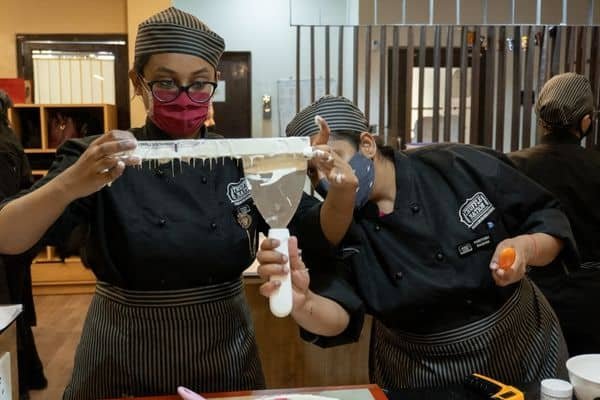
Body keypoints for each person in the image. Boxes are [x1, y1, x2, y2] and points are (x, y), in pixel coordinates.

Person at [0, 8, 268, 399]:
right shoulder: (98, 157)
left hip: (225, 344)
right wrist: (70, 184)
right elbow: (8, 237)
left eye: (198, 84)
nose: (183, 98)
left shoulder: (238, 157)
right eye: (165, 83)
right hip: (123, 346)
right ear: (137, 83)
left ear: (215, 83)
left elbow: (308, 229)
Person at [257, 95, 578, 390]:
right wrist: (303, 303)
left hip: (515, 346)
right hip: (416, 370)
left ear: (367, 144)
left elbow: (546, 216)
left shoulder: (456, 165)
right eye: (313, 172)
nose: (325, 178)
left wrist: (525, 248)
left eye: (332, 158)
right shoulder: (334, 225)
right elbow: (339, 313)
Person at [509, 73, 600, 356]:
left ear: (540, 119)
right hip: (592, 303)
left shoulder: (512, 166)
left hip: (529, 299)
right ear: (586, 121)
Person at [0, 90, 47, 400]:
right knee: (11, 314)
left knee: (7, 316)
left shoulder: (2, 145)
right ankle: (29, 377)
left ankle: (21, 383)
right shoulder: (8, 137)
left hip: (7, 244)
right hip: (13, 243)